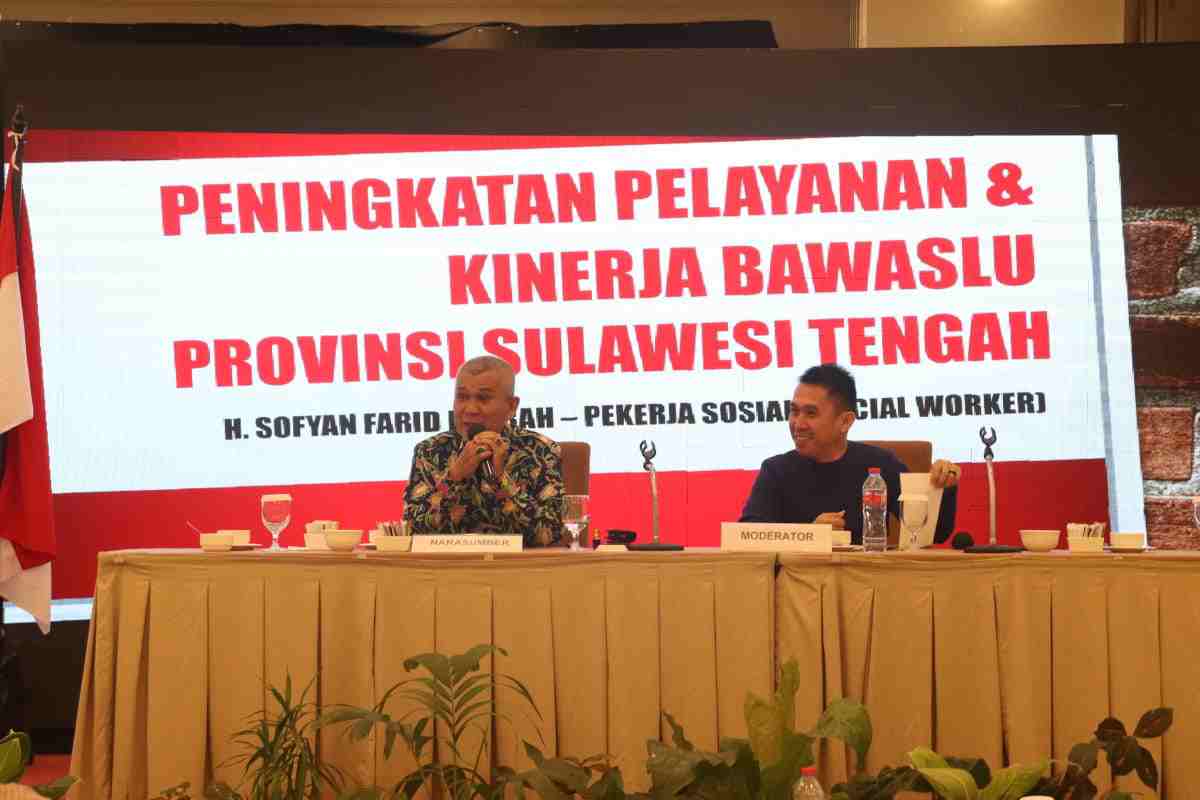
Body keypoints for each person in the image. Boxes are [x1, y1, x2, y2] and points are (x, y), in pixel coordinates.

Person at [739, 363, 960, 544]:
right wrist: (809, 534)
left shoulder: (879, 466)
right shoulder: (776, 470)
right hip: (798, 581)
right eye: (794, 411)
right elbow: (747, 536)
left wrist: (944, 485)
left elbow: (935, 534)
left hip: (866, 578)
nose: (798, 423)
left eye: (811, 413)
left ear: (845, 421)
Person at [404, 355, 564, 547]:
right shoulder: (430, 451)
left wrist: (501, 481)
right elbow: (413, 531)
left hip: (518, 564)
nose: (470, 409)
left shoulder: (540, 450)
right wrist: (454, 478)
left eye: (483, 398)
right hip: (449, 564)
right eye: (462, 397)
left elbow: (549, 534)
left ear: (511, 406)